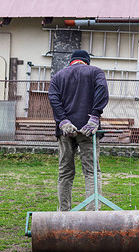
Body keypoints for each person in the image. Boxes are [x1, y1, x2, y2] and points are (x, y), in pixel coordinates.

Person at [48, 49, 109, 211]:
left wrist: (63, 120)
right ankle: (92, 213)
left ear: (71, 61)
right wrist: (95, 116)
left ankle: (64, 212)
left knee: (65, 172)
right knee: (91, 171)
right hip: (89, 129)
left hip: (65, 131)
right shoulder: (96, 72)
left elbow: (53, 98)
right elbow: (102, 90)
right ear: (86, 62)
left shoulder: (58, 76)